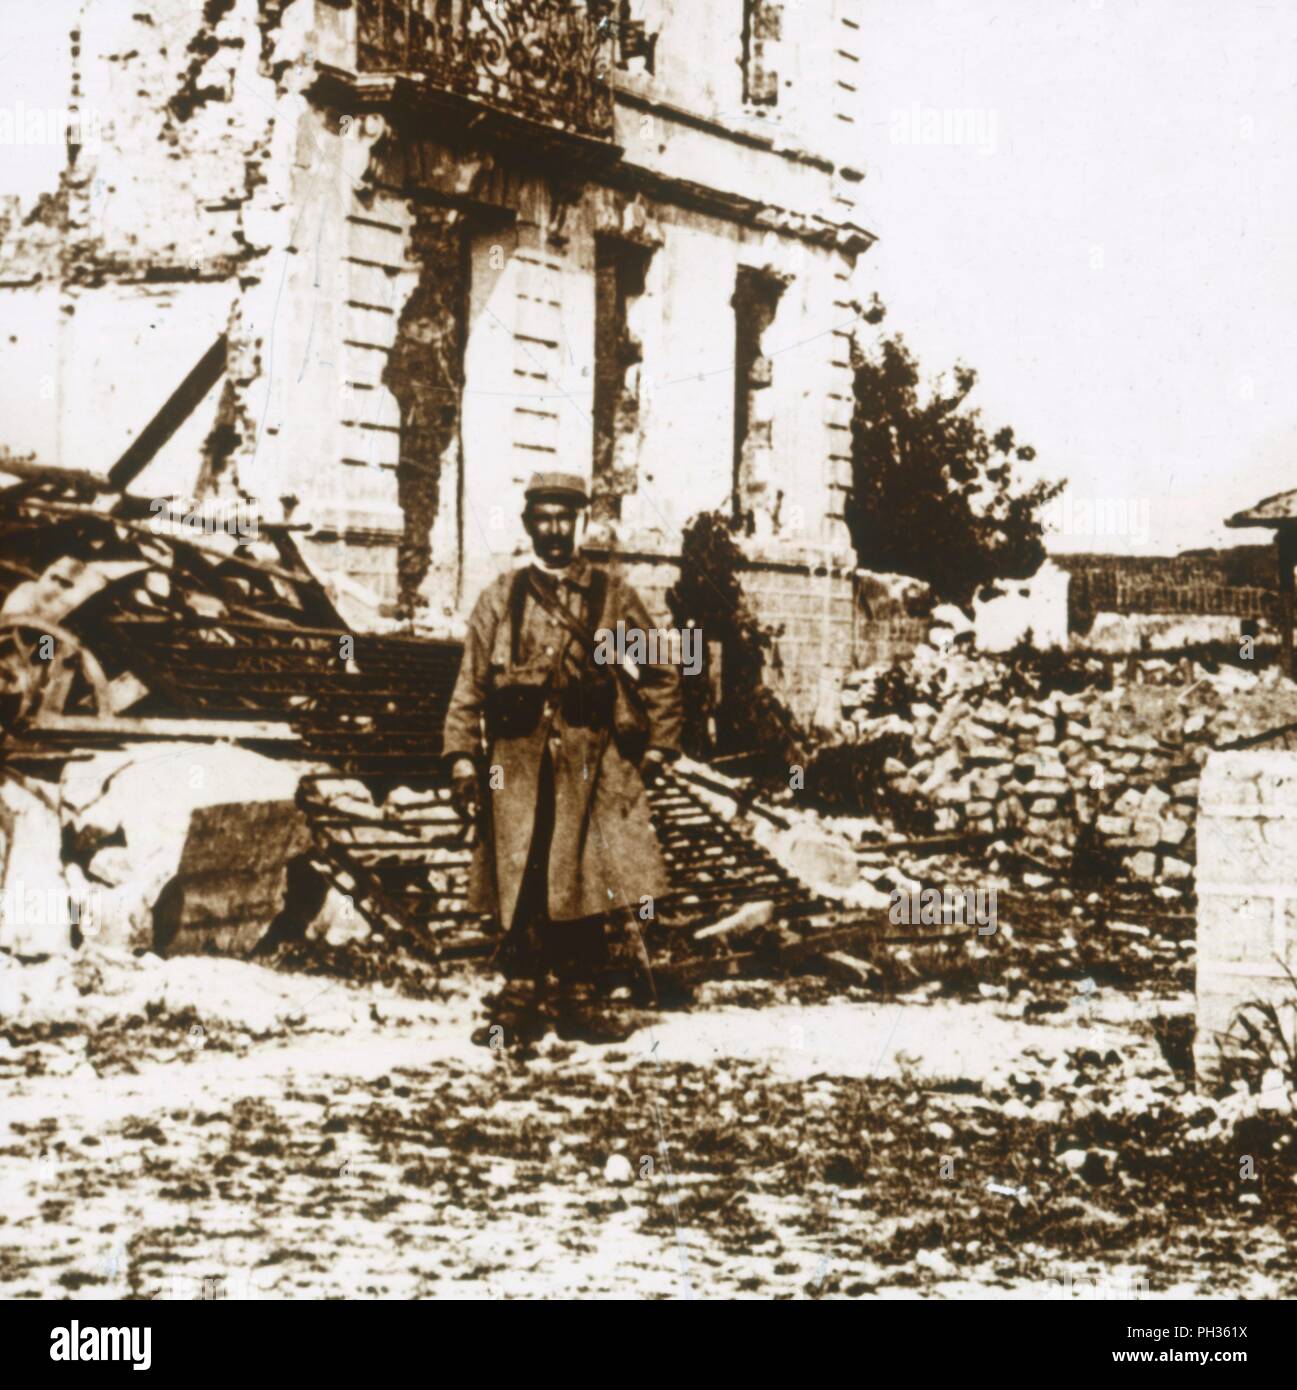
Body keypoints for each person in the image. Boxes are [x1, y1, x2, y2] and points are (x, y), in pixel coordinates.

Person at [441, 471, 683, 1044]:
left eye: (563, 518)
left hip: (589, 761)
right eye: (543, 518)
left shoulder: (612, 596)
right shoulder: (501, 596)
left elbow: (662, 673)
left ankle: (579, 995)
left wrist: (658, 748)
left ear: (579, 524)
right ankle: (520, 994)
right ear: (529, 525)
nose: (553, 529)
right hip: (517, 763)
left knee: (587, 876)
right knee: (520, 873)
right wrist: (460, 758)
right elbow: (469, 685)